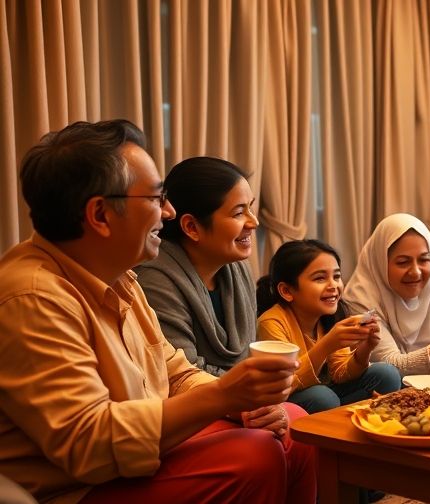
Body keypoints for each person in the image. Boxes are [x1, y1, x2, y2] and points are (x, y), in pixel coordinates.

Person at [0, 119, 315, 503]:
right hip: (80, 487)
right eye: (154, 198)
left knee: (296, 427)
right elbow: (89, 448)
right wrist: (223, 398)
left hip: (139, 455)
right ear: (100, 215)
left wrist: (245, 403)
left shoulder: (122, 279)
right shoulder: (32, 297)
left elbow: (175, 372)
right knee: (252, 455)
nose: (166, 212)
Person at [134, 157, 258, 376]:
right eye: (239, 213)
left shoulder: (238, 267)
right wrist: (251, 387)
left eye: (251, 208)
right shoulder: (155, 279)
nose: (253, 222)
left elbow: (251, 354)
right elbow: (182, 373)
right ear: (191, 227)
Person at [256, 239, 401, 413]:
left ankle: (357, 422)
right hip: (286, 399)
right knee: (323, 397)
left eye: (337, 276)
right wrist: (326, 346)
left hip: (325, 394)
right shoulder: (271, 322)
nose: (333, 285)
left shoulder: (330, 314)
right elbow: (284, 384)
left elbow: (340, 373)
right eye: (320, 278)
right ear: (287, 291)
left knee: (387, 374)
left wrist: (365, 348)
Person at [342, 213, 430, 376]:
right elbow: (389, 366)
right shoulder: (360, 300)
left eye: (424, 260)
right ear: (380, 262)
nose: (416, 272)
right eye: (403, 262)